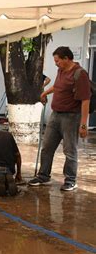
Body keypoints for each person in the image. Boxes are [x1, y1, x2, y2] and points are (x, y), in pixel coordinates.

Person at [29, 46, 91, 191]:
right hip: (55, 115)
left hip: (71, 117)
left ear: (66, 59)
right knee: (47, 147)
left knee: (69, 150)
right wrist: (45, 94)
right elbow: (58, 87)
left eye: (58, 61)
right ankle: (43, 175)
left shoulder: (80, 74)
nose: (56, 63)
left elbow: (85, 100)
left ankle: (70, 180)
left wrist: (83, 124)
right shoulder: (61, 70)